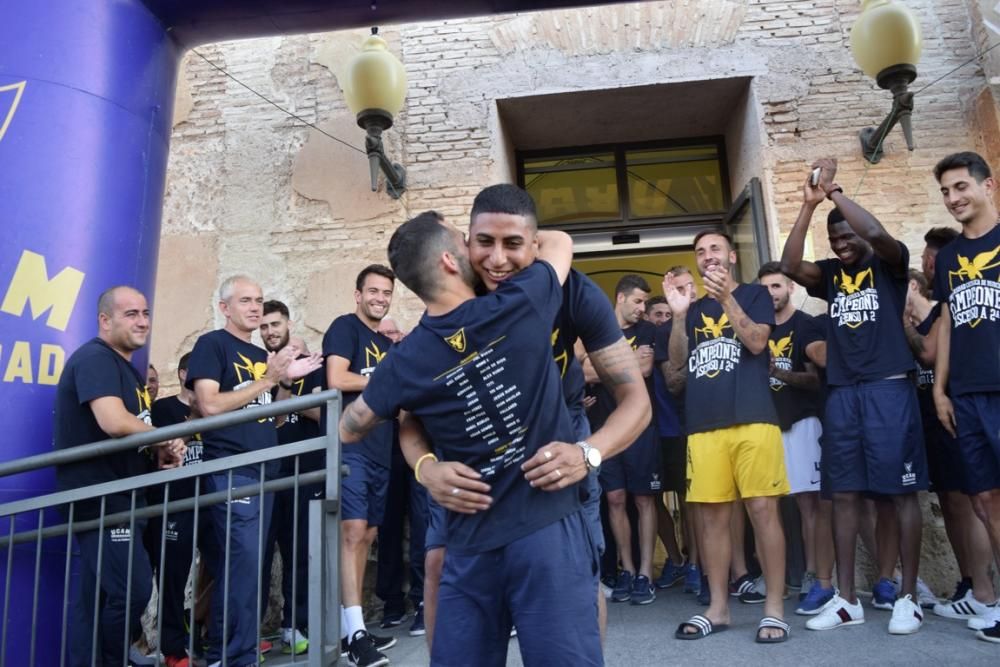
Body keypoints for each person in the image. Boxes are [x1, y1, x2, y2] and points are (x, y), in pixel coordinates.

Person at [341, 212, 628, 666]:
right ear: (450, 261)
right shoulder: (519, 302)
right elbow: (558, 240)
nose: (485, 255)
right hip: (544, 526)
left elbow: (351, 426)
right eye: (467, 240)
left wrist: (418, 442)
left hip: (469, 540)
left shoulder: (404, 360)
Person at [410, 190, 650, 650]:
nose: (496, 259)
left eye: (512, 244)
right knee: (439, 564)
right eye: (485, 242)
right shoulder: (456, 298)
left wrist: (588, 453)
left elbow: (636, 400)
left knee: (579, 577)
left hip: (561, 440)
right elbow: (409, 416)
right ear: (465, 243)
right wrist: (427, 469)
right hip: (472, 451)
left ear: (536, 246)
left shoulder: (574, 291)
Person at [782, 158, 927, 635]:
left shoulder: (890, 264)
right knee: (842, 494)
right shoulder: (828, 275)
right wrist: (808, 206)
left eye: (849, 237)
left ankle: (907, 596)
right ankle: (846, 600)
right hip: (843, 393)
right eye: (836, 239)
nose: (843, 245)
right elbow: (787, 266)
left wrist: (834, 192)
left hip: (888, 388)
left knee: (900, 493)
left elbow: (878, 231)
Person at [186, 276, 321, 667]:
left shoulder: (259, 353)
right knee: (241, 567)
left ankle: (237, 653)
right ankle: (228, 656)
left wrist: (284, 386)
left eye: (259, 300)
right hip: (233, 469)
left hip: (265, 470)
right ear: (224, 307)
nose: (255, 308)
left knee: (249, 569)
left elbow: (261, 415)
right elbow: (209, 406)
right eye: (245, 300)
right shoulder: (212, 344)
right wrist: (269, 379)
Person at [664, 230, 790, 643]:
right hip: (703, 424)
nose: (707, 256)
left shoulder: (754, 294)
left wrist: (726, 299)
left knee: (762, 511)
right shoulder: (693, 307)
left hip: (753, 418)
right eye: (700, 252)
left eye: (714, 249)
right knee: (712, 519)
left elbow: (756, 342)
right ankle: (718, 609)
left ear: (732, 256)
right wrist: (680, 315)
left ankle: (773, 609)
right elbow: (678, 369)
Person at [55, 286, 185, 667]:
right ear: (105, 320)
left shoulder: (125, 368)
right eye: (131, 314)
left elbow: (129, 429)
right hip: (102, 499)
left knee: (95, 599)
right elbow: (112, 421)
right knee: (133, 590)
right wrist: (164, 436)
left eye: (145, 312)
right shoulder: (96, 358)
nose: (142, 321)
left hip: (123, 497)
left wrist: (155, 450)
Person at [930, 151, 1000, 642]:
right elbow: (950, 322)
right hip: (968, 394)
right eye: (946, 192)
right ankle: (994, 599)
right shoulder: (951, 256)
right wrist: (939, 388)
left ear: (987, 185)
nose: (954, 198)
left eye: (960, 187)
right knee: (985, 501)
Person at [322, 265, 399, 666]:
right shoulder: (344, 327)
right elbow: (336, 377)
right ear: (357, 294)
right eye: (373, 291)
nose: (380, 298)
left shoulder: (386, 344)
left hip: (381, 449)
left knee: (366, 535)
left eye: (386, 293)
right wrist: (387, 382)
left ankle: (351, 627)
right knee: (352, 532)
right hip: (349, 447)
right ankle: (353, 635)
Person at [756, 262, 832, 613]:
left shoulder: (807, 325)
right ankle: (776, 577)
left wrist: (779, 373)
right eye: (765, 288)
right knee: (765, 507)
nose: (771, 294)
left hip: (801, 422)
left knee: (808, 506)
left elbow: (816, 378)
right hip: (765, 426)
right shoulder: (755, 331)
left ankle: (815, 576)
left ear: (790, 288)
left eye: (776, 286)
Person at [259, 299, 323, 656]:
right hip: (268, 474)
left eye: (276, 325)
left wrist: (301, 389)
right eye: (265, 326)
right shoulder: (258, 371)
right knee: (261, 554)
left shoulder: (315, 370)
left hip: (305, 471)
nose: (270, 331)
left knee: (299, 552)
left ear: (288, 324)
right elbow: (276, 419)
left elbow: (323, 411)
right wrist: (282, 382)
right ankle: (251, 633)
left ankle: (294, 625)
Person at [597, 275, 664, 606]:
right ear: (620, 298)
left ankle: (645, 574)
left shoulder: (649, 331)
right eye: (637, 301)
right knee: (615, 499)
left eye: (644, 303)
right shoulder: (598, 332)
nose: (643, 308)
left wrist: (603, 367)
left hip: (640, 426)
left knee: (643, 500)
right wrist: (627, 365)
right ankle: (625, 568)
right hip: (606, 429)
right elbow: (582, 373)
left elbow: (647, 370)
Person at [146, 351, 204, 667]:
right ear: (183, 374)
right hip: (174, 504)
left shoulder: (213, 405)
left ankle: (210, 633)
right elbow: (166, 446)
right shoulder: (163, 407)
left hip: (209, 499)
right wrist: (195, 417)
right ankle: (173, 650)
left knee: (224, 567)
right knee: (173, 579)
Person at [374, 316, 431, 637]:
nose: (390, 338)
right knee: (388, 528)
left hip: (417, 451)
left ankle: (423, 600)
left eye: (394, 332)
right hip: (384, 453)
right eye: (383, 335)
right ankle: (392, 602)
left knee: (423, 524)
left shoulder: (413, 355)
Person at [652, 266, 701, 596]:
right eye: (679, 287)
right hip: (663, 428)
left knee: (691, 501)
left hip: (696, 425)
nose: (687, 293)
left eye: (690, 287)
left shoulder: (711, 320)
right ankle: (678, 559)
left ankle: (697, 564)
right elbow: (673, 382)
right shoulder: (661, 332)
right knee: (653, 497)